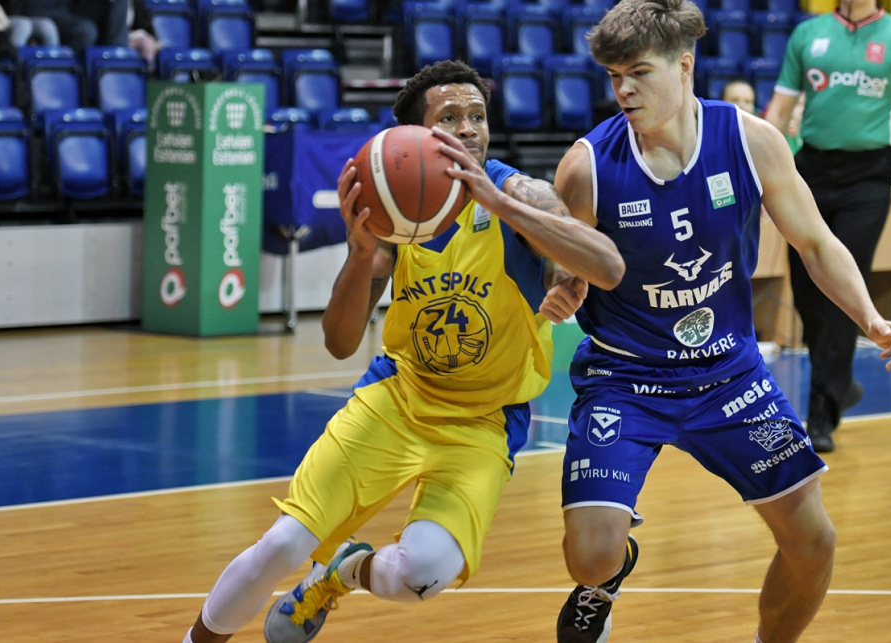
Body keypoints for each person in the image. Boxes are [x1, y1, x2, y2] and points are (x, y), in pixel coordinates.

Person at [180, 60, 625, 643]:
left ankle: (342, 573)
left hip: (484, 423)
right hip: (398, 398)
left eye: (477, 116)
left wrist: (564, 272)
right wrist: (361, 254)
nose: (468, 128)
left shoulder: (518, 192)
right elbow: (339, 342)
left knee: (420, 577)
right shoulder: (397, 211)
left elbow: (588, 252)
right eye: (450, 117)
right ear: (418, 136)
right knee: (283, 543)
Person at [535, 0, 891, 641]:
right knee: (590, 557)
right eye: (614, 77)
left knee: (814, 541)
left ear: (684, 66)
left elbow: (816, 243)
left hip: (729, 375)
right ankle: (608, 576)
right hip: (626, 379)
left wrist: (872, 318)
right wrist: (564, 289)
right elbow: (570, 267)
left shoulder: (750, 140)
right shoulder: (588, 166)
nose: (624, 90)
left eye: (639, 72)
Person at [763, 0, 891, 452]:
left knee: (844, 286)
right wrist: (756, 181)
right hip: (810, 170)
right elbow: (777, 114)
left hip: (869, 176)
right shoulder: (807, 34)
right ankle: (839, 383)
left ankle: (821, 411)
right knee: (807, 293)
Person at [23, 0, 127, 51]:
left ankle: (117, 62)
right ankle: (69, 75)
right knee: (86, 31)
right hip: (45, 10)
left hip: (71, 8)